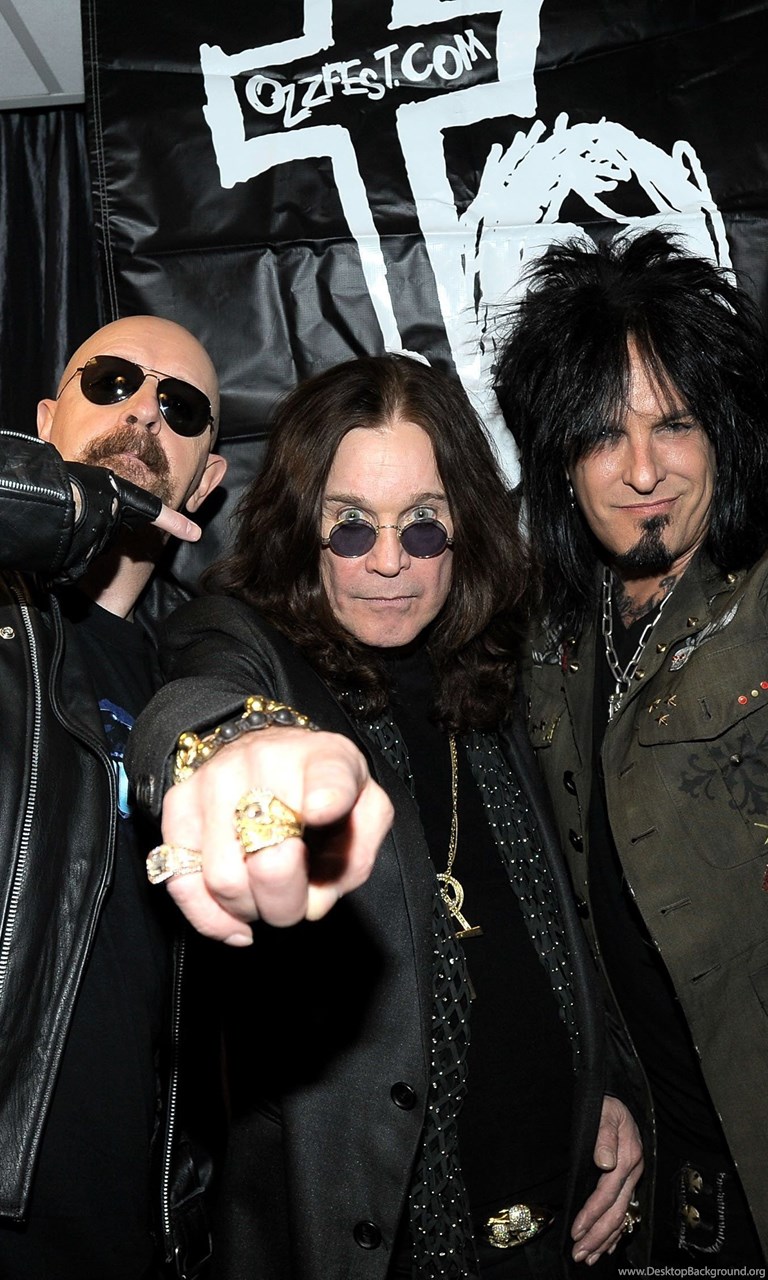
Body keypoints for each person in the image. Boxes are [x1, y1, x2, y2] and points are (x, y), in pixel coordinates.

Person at [127, 352, 644, 1280]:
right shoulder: (246, 644)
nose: (390, 560)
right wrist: (230, 751)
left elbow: (568, 921)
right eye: (352, 526)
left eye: (424, 526)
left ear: (465, 528)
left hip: (563, 1226)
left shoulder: (492, 673)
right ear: (302, 528)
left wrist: (604, 1081)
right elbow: (199, 700)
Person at [0, 316, 387, 1280]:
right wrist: (60, 507)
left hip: (127, 1234)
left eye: (180, 408)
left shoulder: (184, 668)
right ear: (44, 422)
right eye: (111, 381)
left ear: (207, 480)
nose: (143, 412)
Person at [493, 229, 768, 1267]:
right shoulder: (554, 636)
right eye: (604, 435)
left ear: (724, 433)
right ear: (560, 464)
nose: (644, 469)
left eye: (674, 423)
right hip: (671, 1189)